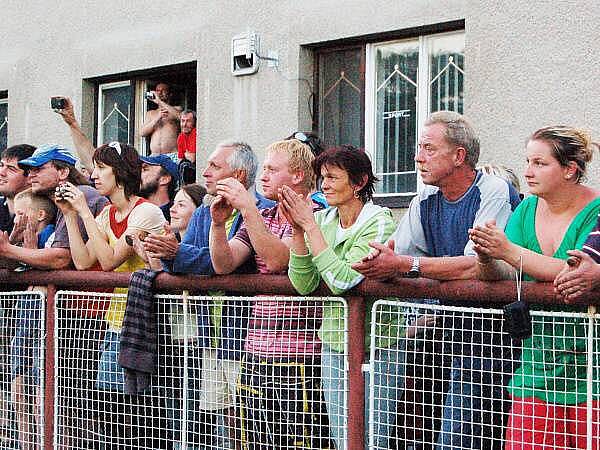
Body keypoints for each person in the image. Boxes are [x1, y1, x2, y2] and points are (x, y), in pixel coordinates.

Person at [353, 111, 520, 450]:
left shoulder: (493, 190)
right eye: (419, 147)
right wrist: (379, 260)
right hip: (448, 334)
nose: (417, 157)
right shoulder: (424, 199)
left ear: (459, 156)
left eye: (428, 148)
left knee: (460, 437)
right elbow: (397, 253)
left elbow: (474, 265)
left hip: (495, 338)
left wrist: (405, 263)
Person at [469, 126, 600, 450]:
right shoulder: (526, 209)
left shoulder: (596, 209)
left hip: (591, 371)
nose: (528, 171)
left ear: (570, 169)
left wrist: (508, 251)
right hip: (537, 364)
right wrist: (486, 256)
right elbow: (504, 270)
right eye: (528, 161)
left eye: (540, 163)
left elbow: (573, 272)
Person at [144, 141, 273, 449]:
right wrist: (174, 254)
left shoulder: (261, 211)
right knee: (224, 423)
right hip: (211, 337)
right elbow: (197, 263)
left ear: (239, 175)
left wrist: (177, 253)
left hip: (246, 336)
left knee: (256, 424)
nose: (205, 172)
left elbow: (220, 264)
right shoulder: (204, 212)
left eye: (215, 167)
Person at [209, 139, 331, 449]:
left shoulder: (314, 215)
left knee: (301, 442)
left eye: (272, 170)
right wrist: (218, 225)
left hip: (300, 358)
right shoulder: (262, 217)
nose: (263, 176)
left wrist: (248, 208)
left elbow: (279, 261)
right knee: (254, 442)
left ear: (298, 176)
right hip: (256, 353)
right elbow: (224, 264)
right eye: (263, 168)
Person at [282, 145, 397, 450]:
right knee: (342, 436)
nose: (324, 185)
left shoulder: (379, 221)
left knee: (374, 438)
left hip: (378, 347)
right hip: (334, 344)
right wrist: (297, 231)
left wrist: (308, 225)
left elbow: (343, 280)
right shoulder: (322, 220)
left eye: (333, 177)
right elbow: (304, 284)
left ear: (359, 182)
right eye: (322, 177)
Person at [56, 141, 166, 449]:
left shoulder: (146, 212)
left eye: (102, 168)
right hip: (117, 322)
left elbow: (108, 262)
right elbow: (82, 261)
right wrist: (69, 215)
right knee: (108, 406)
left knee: (137, 413)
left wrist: (83, 212)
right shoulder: (106, 213)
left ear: (120, 172)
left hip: (149, 326)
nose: (94, 174)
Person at [9, 189, 56, 450]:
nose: (17, 220)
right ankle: (25, 441)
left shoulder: (47, 235)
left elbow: (45, 264)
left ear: (40, 215)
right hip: (26, 307)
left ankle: (41, 440)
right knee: (18, 374)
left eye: (22, 214)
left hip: (40, 308)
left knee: (39, 379)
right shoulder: (23, 236)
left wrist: (29, 253)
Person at [0, 144, 35, 235]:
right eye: (1, 165)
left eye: (11, 169)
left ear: (30, 177)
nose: (1, 173)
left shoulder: (40, 212)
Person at [140, 82, 182, 155]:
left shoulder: (176, 109)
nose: (160, 93)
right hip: (155, 155)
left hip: (171, 154)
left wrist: (159, 101)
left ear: (170, 94)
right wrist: (157, 118)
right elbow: (142, 133)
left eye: (163, 90)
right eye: (158, 90)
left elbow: (180, 117)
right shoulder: (151, 113)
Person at [139, 154, 179, 221]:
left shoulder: (175, 217)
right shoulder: (133, 210)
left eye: (145, 169)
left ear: (164, 179)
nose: (137, 173)